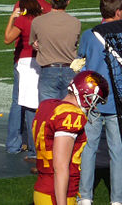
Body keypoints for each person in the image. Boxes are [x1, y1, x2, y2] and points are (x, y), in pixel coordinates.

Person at [76, 0, 122, 205]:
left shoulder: (89, 35)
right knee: (117, 151)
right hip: (117, 98)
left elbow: (80, 58)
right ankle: (117, 199)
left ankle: (86, 196)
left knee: (89, 149)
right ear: (118, 12)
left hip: (93, 99)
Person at [32, 71, 109, 205]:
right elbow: (60, 167)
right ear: (85, 94)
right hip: (56, 195)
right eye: (95, 100)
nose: (94, 105)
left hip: (43, 188)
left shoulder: (48, 105)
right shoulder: (70, 115)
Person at [4, 0, 43, 156]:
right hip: (40, 62)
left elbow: (7, 38)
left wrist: (11, 19)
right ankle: (37, 145)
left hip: (25, 64)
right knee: (36, 104)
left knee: (24, 104)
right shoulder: (41, 19)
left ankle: (21, 146)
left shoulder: (23, 20)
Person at [30, 0, 80, 102]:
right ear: (68, 2)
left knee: (48, 113)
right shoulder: (76, 23)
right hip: (69, 70)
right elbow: (74, 43)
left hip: (48, 71)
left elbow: (33, 43)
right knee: (67, 112)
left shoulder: (38, 21)